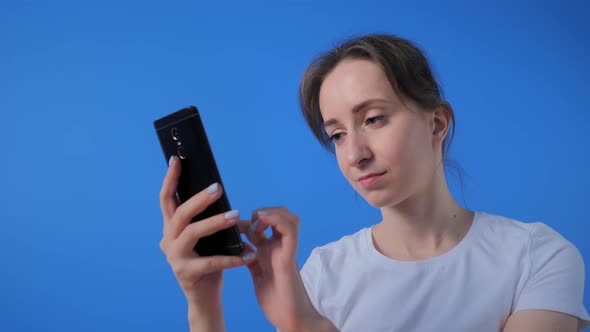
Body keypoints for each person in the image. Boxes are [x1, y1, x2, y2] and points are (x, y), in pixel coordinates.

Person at [158, 33, 590, 331]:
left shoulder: (537, 257)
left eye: (373, 119)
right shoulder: (321, 275)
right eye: (337, 134)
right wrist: (203, 303)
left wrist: (312, 327)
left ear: (436, 123)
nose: (354, 153)